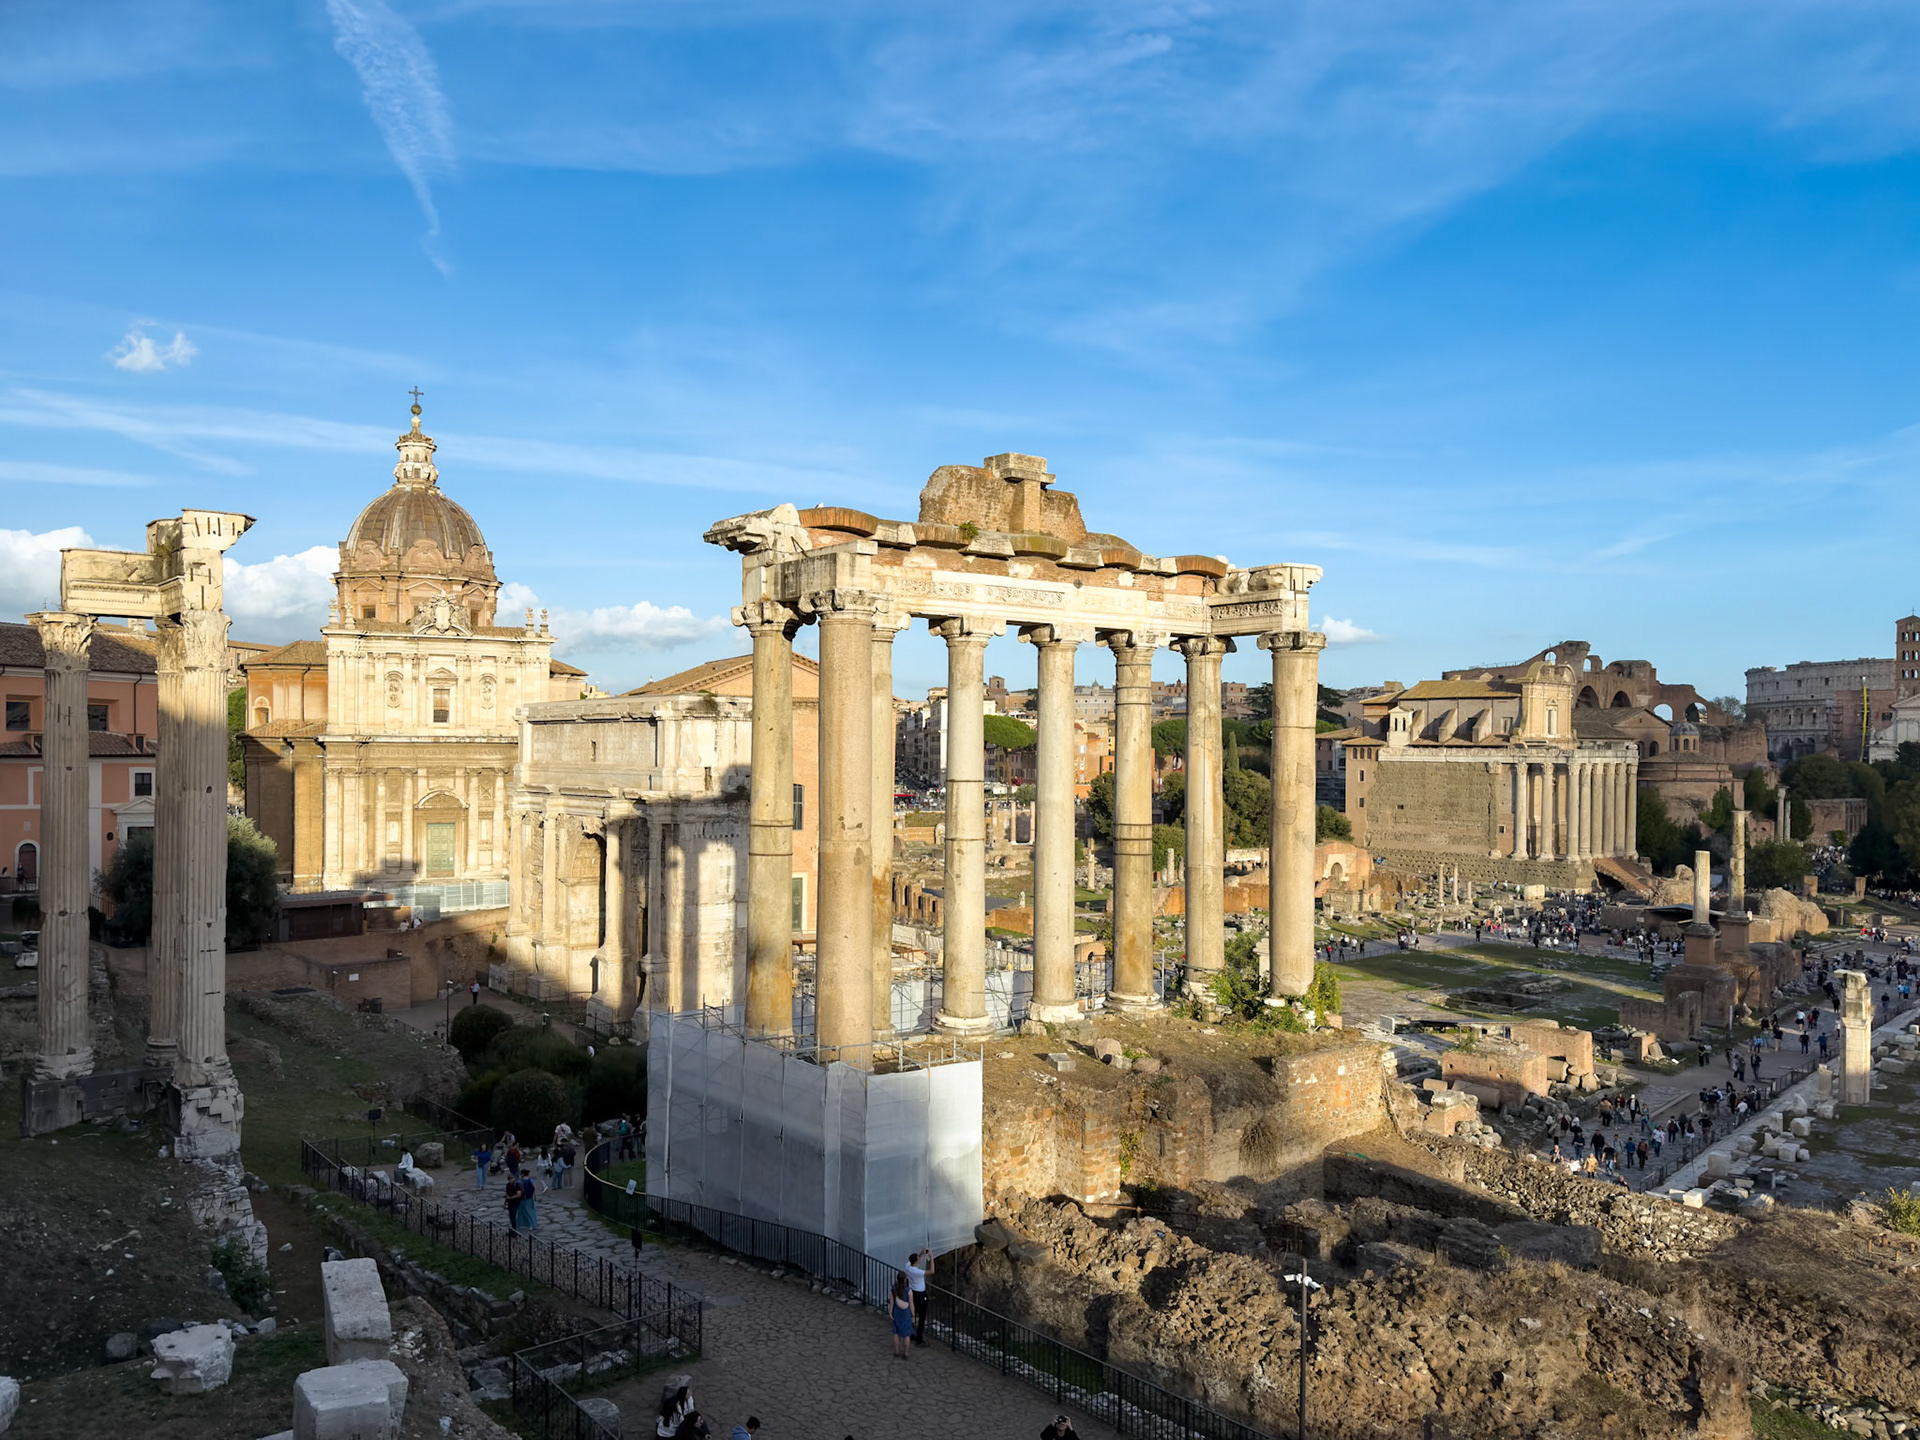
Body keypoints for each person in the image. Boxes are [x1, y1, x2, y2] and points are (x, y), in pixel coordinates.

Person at [907, 1247, 933, 1344]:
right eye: (918, 1259)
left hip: (912, 1293)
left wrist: (921, 1253)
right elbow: (931, 1271)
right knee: (922, 1316)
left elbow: (915, 1261)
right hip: (920, 1294)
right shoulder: (917, 1272)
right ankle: (919, 1338)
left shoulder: (908, 1266)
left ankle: (910, 1332)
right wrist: (931, 1257)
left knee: (912, 1313)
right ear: (916, 1262)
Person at [890, 1272, 915, 1359]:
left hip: (897, 1312)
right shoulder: (909, 1291)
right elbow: (911, 1304)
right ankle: (906, 1353)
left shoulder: (894, 1289)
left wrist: (890, 1312)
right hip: (905, 1313)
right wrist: (913, 1315)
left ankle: (896, 1352)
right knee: (906, 1334)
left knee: (896, 1332)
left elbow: (891, 1302)